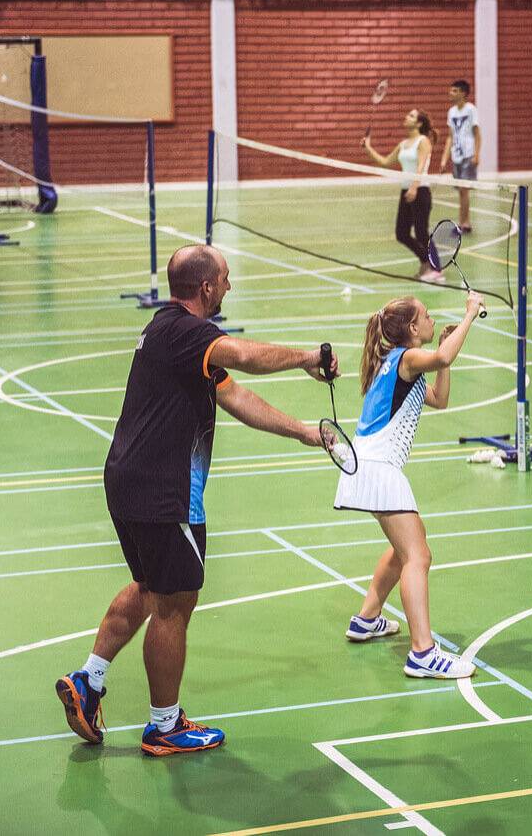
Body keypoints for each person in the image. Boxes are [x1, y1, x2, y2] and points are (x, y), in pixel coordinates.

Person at [55, 244, 337, 756]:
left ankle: (88, 680)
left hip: (127, 479)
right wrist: (308, 358)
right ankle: (164, 726)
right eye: (226, 278)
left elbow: (236, 396)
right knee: (174, 605)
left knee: (148, 587)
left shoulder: (167, 331)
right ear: (206, 287)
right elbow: (245, 356)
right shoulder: (191, 334)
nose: (230, 286)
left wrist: (301, 431)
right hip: (165, 490)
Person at [333, 292, 483, 679]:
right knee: (419, 557)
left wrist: (448, 346)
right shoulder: (407, 358)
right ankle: (423, 652)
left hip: (366, 464)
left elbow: (441, 398)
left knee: (405, 549)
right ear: (413, 329)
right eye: (428, 317)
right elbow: (443, 356)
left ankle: (367, 618)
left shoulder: (396, 362)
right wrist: (469, 315)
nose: (432, 321)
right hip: (379, 467)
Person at [363, 109, 439, 282]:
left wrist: (414, 186)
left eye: (411, 116)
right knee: (401, 233)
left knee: (421, 232)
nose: (406, 117)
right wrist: (368, 148)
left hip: (420, 189)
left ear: (419, 123)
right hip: (406, 189)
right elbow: (385, 162)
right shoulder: (404, 144)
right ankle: (425, 260)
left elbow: (421, 166)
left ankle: (436, 269)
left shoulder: (423, 141)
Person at [438, 79, 481, 234]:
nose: (451, 93)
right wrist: (444, 158)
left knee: (464, 189)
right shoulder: (451, 112)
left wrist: (476, 155)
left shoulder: (471, 110)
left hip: (468, 155)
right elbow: (450, 137)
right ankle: (463, 222)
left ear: (463, 93)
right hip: (456, 155)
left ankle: (465, 223)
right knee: (461, 191)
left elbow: (477, 134)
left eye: (454, 91)